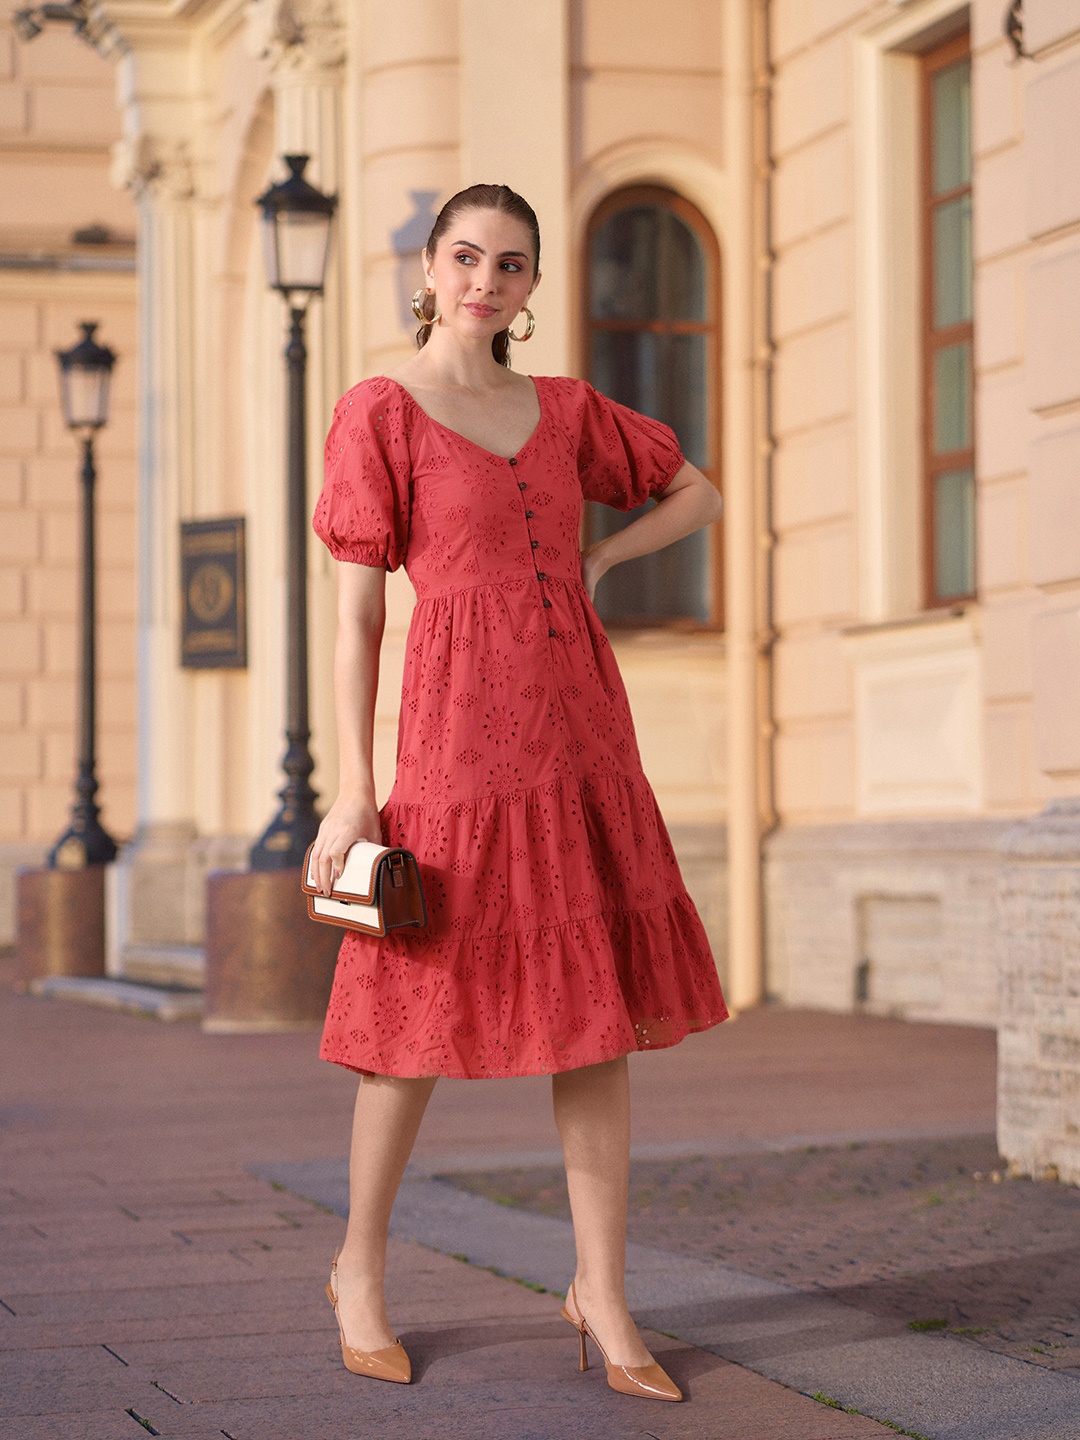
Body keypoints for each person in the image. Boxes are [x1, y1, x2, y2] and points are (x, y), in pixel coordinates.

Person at [309, 183, 727, 1402]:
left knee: (598, 1016)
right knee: (410, 1018)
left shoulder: (565, 411)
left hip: (581, 733)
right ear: (430, 270)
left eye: (512, 264)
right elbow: (357, 618)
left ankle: (601, 1289)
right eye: (467, 258)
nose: (487, 281)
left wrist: (602, 554)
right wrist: (355, 790)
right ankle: (359, 1266)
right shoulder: (381, 411)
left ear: (533, 287)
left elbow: (696, 492)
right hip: (454, 743)